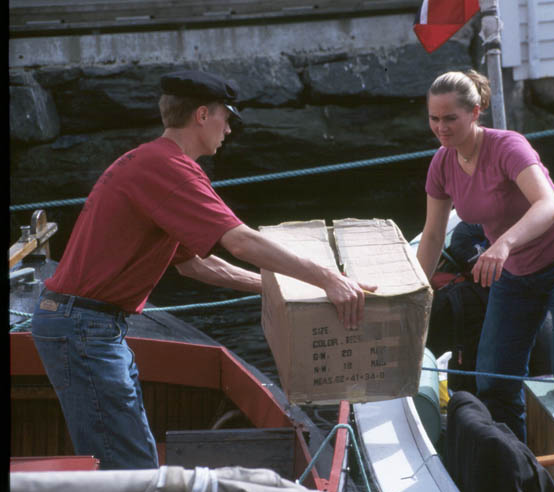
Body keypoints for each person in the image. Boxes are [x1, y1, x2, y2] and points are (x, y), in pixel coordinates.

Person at [30, 69, 376, 470]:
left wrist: (274, 287)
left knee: (131, 461)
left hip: (86, 325)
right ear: (202, 115)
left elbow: (195, 264)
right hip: (85, 327)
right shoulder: (169, 168)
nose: (228, 130)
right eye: (226, 118)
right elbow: (240, 241)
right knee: (129, 469)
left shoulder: (150, 161)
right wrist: (329, 278)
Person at [416, 70, 554, 442]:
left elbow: (548, 204)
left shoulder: (508, 147)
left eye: (450, 118)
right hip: (517, 277)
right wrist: (415, 293)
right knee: (493, 382)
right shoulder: (442, 164)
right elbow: (434, 235)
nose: (441, 128)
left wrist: (503, 245)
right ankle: (520, 459)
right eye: (434, 118)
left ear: (475, 112)